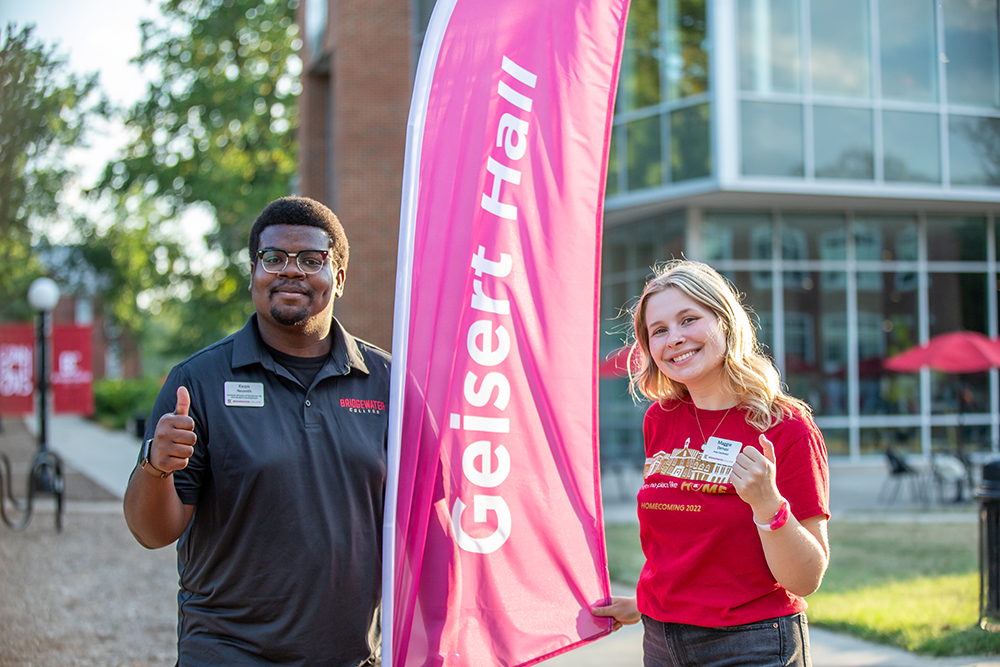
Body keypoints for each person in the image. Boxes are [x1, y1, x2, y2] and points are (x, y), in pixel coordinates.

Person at [123, 196, 390, 666]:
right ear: (253, 272)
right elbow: (152, 532)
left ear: (339, 278)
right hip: (228, 652)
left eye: (312, 259)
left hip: (352, 656)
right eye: (273, 258)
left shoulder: (388, 383)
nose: (291, 271)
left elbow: (434, 519)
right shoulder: (198, 382)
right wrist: (156, 467)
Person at [592, 260, 830, 667]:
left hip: (751, 644)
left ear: (725, 322)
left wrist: (767, 504)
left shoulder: (784, 425)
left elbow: (806, 580)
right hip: (661, 640)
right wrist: (647, 600)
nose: (675, 339)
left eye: (689, 319)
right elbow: (689, 547)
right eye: (659, 330)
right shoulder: (660, 419)